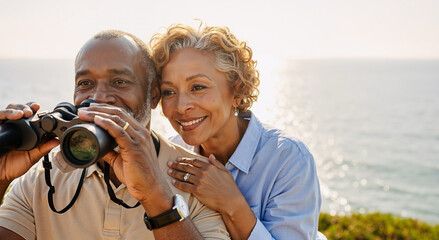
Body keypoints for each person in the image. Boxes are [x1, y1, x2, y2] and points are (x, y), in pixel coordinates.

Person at [0, 30, 230, 240]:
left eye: (119, 82)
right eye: (86, 83)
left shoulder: (197, 180)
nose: (99, 97)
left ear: (154, 95)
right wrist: (1, 179)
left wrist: (155, 196)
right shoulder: (41, 179)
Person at [150, 23, 326, 240]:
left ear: (238, 90)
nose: (180, 106)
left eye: (198, 87)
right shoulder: (167, 156)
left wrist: (231, 203)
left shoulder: (288, 159)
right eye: (169, 92)